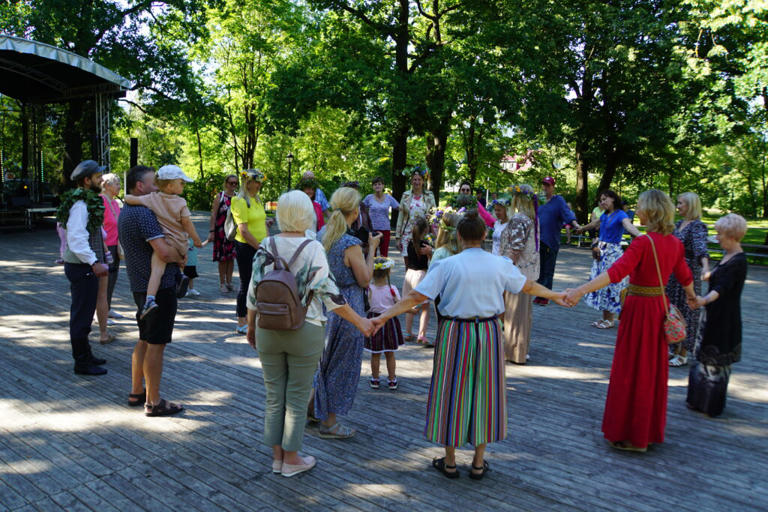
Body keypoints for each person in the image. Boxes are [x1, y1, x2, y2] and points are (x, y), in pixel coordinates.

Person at [371, 211, 568, 479]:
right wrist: (556, 295)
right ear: (485, 235)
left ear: (460, 236)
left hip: (455, 331)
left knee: (451, 392)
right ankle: (478, 462)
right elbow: (529, 287)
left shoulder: (447, 265)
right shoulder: (499, 264)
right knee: (486, 393)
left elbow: (416, 296)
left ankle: (450, 461)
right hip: (488, 331)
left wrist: (383, 316)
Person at [245, 190, 374, 477]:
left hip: (267, 327)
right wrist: (360, 321)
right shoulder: (312, 246)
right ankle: (291, 459)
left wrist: (251, 326)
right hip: (304, 328)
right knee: (297, 394)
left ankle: (277, 458)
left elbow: (253, 293)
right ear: (306, 214)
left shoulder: (266, 244)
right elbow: (329, 294)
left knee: (274, 394)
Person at [564, 189, 696, 452]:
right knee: (651, 370)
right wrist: (694, 299)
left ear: (651, 211)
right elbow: (685, 276)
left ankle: (630, 434)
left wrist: (579, 290)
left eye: (641, 208)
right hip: (660, 307)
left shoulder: (644, 243)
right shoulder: (674, 243)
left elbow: (615, 273)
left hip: (638, 310)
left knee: (631, 369)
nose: (637, 212)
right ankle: (644, 433)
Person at [311, 187, 382, 439]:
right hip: (348, 306)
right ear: (355, 212)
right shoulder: (350, 243)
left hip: (322, 305)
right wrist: (372, 248)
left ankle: (313, 409)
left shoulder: (321, 235)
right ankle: (330, 423)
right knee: (341, 365)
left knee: (321, 362)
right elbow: (364, 280)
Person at [119, 165, 185, 416]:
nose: (157, 187)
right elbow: (164, 252)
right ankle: (154, 402)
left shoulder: (126, 211)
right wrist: (182, 254)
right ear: (140, 187)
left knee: (144, 340)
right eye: (153, 183)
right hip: (158, 289)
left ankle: (137, 391)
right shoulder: (144, 214)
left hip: (140, 286)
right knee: (157, 344)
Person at [123, 165, 203, 318]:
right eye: (182, 183)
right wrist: (197, 240)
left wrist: (126, 199)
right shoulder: (181, 203)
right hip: (180, 242)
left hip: (165, 241)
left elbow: (130, 199)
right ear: (170, 185)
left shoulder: (152, 199)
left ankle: (150, 299)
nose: (184, 186)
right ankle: (180, 275)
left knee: (156, 272)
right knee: (179, 258)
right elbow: (187, 223)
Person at [687, 214, 747, 417]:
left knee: (717, 362)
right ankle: (697, 399)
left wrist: (702, 300)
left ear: (731, 235)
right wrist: (705, 269)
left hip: (725, 318)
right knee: (703, 358)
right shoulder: (727, 255)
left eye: (719, 234)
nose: (717, 237)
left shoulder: (739, 261)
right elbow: (715, 277)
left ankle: (710, 404)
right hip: (712, 314)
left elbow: (722, 288)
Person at [56, 160, 110, 375]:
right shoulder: (81, 205)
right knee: (81, 315)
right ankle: (81, 362)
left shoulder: (85, 201)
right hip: (82, 267)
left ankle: (86, 355)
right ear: (87, 181)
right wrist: (94, 262)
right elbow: (77, 239)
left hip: (83, 266)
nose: (102, 180)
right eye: (98, 177)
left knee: (86, 313)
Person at [578, 190, 641, 329]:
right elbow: (594, 224)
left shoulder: (621, 214)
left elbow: (628, 226)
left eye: (605, 199)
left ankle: (611, 319)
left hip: (612, 254)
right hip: (601, 253)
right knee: (601, 285)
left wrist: (641, 236)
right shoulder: (605, 215)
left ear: (613, 199)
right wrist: (581, 229)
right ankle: (605, 318)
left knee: (611, 285)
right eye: (601, 200)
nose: (602, 202)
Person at [666, 192, 709, 367]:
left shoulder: (697, 226)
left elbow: (701, 249)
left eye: (681, 203)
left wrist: (705, 267)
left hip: (688, 273)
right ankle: (672, 347)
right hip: (672, 273)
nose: (678, 206)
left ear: (691, 205)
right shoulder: (677, 224)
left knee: (686, 312)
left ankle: (683, 353)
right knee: (672, 310)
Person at [500, 185, 540, 364]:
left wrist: (503, 268)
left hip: (517, 274)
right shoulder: (530, 219)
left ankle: (514, 352)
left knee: (515, 314)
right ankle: (519, 350)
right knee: (522, 314)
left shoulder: (518, 219)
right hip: (526, 273)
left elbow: (515, 247)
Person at [231, 169, 268, 334]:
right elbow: (244, 231)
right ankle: (241, 320)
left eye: (260, 182)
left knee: (260, 283)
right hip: (246, 247)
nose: (259, 185)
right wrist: (259, 247)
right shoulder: (239, 201)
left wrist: (267, 243)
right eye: (256, 181)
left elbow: (262, 222)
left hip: (260, 246)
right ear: (248, 182)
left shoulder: (257, 199)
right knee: (246, 283)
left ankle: (254, 318)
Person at [534, 176, 580, 305]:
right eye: (544, 185)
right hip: (538, 241)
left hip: (550, 240)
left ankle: (545, 297)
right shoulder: (539, 201)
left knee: (548, 270)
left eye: (548, 185)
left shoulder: (558, 201)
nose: (545, 188)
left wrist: (576, 225)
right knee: (538, 270)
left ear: (553, 187)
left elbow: (568, 214)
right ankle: (539, 294)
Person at [364, 257, 404, 390]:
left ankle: (375, 379)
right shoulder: (392, 289)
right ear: (388, 273)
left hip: (374, 322)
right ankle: (392, 379)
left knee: (375, 353)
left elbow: (366, 305)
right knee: (390, 352)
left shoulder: (369, 289)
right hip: (389, 321)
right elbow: (399, 304)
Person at [395, 166, 436, 260]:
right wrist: (398, 237)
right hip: (407, 234)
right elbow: (400, 216)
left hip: (424, 234)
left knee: (423, 263)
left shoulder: (429, 195)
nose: (417, 182)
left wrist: (431, 217)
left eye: (419, 179)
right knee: (408, 263)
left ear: (423, 181)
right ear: (411, 181)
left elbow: (435, 215)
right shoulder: (405, 195)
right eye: (414, 179)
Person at [403, 216, 432, 344]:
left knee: (410, 304)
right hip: (421, 275)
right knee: (425, 307)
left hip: (409, 274)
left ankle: (408, 332)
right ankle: (421, 334)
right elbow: (431, 259)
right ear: (425, 229)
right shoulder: (425, 245)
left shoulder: (410, 243)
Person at [207, 174, 238, 293]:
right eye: (231, 183)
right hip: (221, 231)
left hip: (234, 232)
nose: (233, 185)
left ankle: (229, 282)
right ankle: (222, 283)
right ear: (226, 183)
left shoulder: (238, 197)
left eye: (235, 183)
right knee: (222, 258)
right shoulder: (220, 197)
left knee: (231, 258)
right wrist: (212, 231)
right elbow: (214, 214)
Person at [100, 173, 123, 322]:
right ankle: (100, 311)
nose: (119, 187)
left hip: (115, 245)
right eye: (117, 184)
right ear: (107, 185)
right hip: (104, 246)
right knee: (104, 280)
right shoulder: (100, 201)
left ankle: (107, 307)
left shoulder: (114, 203)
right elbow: (99, 226)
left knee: (113, 277)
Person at [363, 176, 399, 256]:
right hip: (372, 230)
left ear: (383, 186)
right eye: (375, 184)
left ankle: (384, 269)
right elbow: (361, 209)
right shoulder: (369, 198)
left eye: (379, 184)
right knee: (372, 254)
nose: (377, 186)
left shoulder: (388, 198)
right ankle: (371, 269)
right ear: (373, 187)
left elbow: (400, 208)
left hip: (385, 229)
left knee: (384, 254)